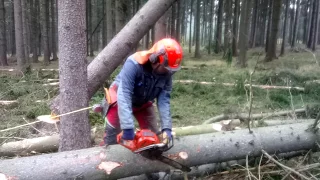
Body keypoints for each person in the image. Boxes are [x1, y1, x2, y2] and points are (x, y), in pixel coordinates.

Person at [93, 38, 183, 149]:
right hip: (119, 100)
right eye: (166, 68)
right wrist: (127, 127)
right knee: (112, 138)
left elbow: (164, 100)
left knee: (153, 136)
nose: (168, 72)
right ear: (155, 59)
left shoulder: (167, 74)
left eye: (171, 70)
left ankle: (148, 159)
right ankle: (108, 156)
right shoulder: (134, 63)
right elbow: (124, 93)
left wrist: (167, 128)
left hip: (143, 101)